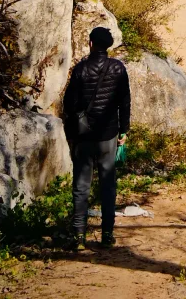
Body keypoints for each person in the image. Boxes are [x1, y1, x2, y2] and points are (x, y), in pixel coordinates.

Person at [62, 24, 131, 248]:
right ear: (108, 45)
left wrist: (77, 122)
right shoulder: (118, 68)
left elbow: (69, 104)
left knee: (81, 186)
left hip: (84, 136)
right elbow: (124, 102)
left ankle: (78, 236)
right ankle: (107, 234)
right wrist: (123, 130)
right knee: (107, 185)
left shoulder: (80, 69)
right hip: (108, 135)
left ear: (91, 44)